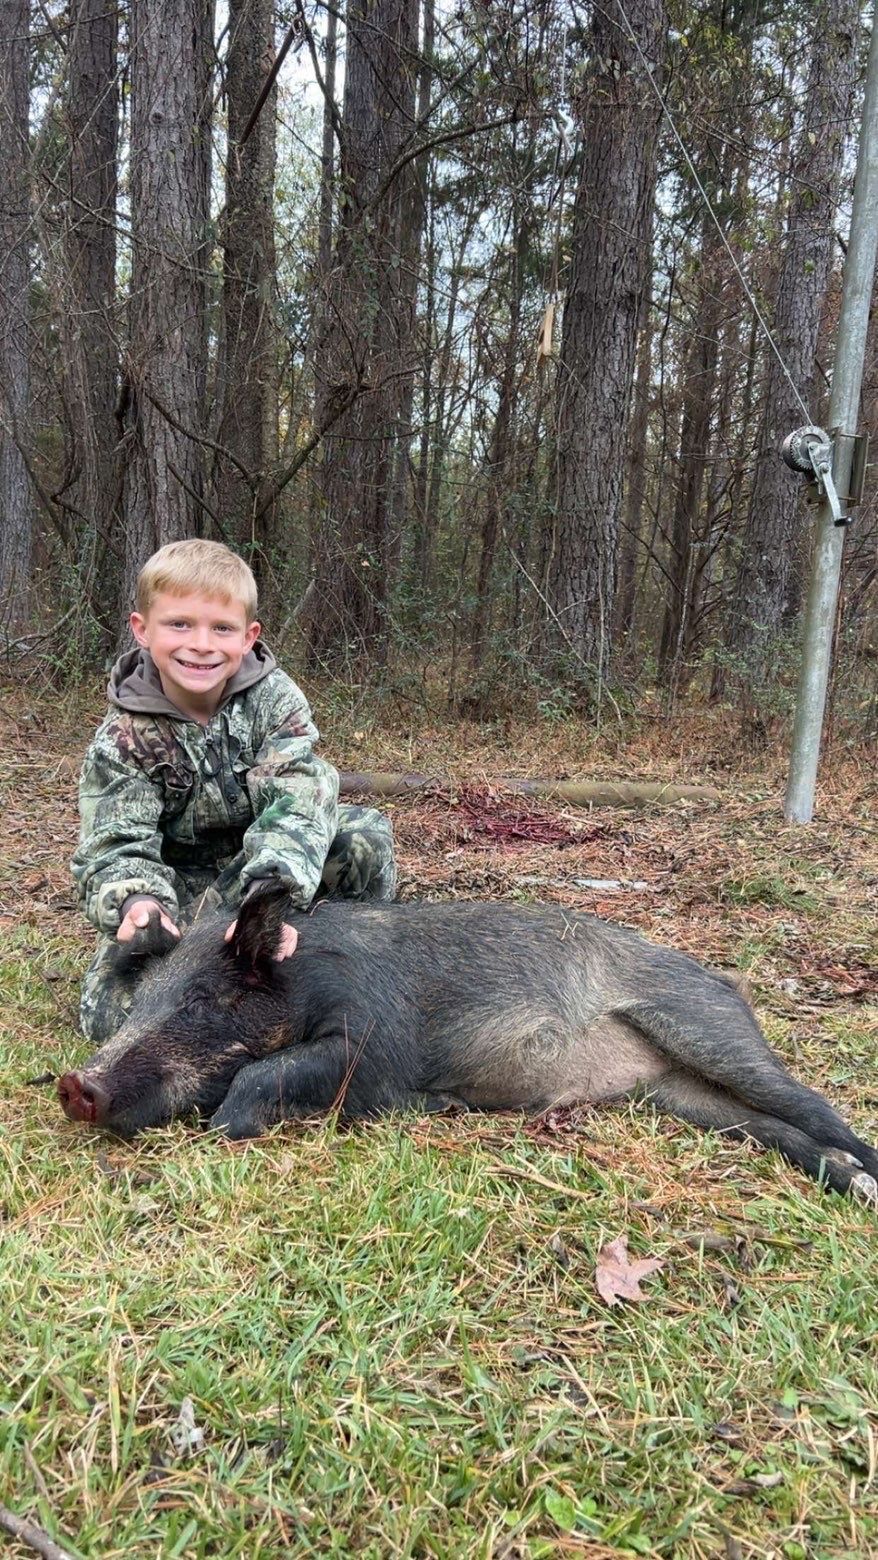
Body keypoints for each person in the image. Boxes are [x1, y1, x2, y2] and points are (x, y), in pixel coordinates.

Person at [72, 538, 396, 1044]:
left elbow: (298, 802)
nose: (201, 644)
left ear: (248, 637)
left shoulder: (275, 701)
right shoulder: (121, 738)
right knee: (107, 1017)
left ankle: (358, 964)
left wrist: (268, 901)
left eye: (221, 628)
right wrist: (140, 902)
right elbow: (114, 843)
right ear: (141, 630)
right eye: (179, 624)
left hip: (264, 879)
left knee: (362, 837)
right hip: (180, 895)